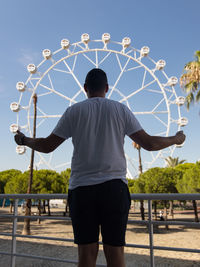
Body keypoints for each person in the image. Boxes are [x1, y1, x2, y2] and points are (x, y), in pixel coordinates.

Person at [14, 68, 185, 267]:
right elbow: (149, 143)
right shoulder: (120, 109)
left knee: (86, 255)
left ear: (85, 88)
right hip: (114, 189)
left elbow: (46, 146)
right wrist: (176, 138)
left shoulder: (74, 111)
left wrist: (24, 140)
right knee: (116, 254)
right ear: (107, 88)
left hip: (81, 190)